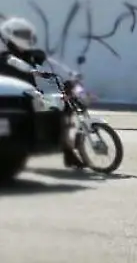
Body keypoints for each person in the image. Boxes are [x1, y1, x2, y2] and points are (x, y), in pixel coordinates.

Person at [0, 16, 84, 168]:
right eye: (21, 35)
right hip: (13, 101)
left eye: (27, 34)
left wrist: (70, 74)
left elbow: (53, 64)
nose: (26, 38)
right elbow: (17, 64)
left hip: (34, 97)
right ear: (9, 35)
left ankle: (68, 150)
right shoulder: (5, 56)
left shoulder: (33, 54)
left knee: (64, 107)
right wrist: (35, 71)